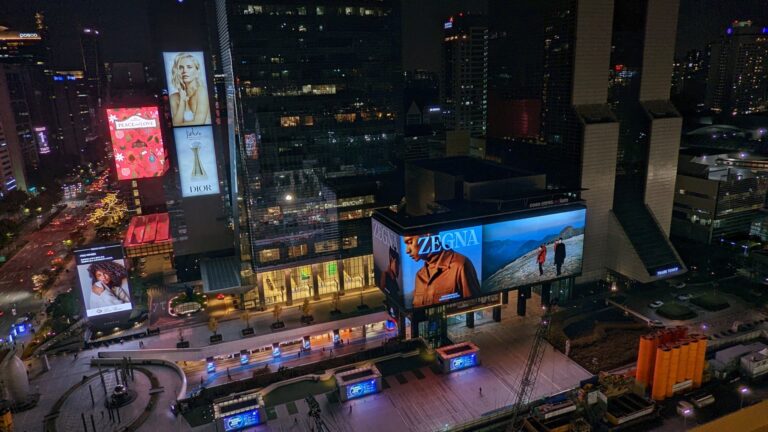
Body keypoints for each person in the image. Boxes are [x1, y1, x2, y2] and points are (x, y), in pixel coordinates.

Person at [404, 233, 481, 308]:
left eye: (410, 242)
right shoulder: (419, 275)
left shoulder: (460, 265)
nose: (407, 250)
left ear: (428, 234)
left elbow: (474, 307)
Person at [169, 53, 211, 127]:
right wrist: (182, 100)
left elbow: (199, 122)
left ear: (197, 71)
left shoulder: (201, 91)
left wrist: (176, 124)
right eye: (181, 67)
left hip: (203, 135)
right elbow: (176, 124)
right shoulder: (173, 97)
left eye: (189, 67)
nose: (185, 71)